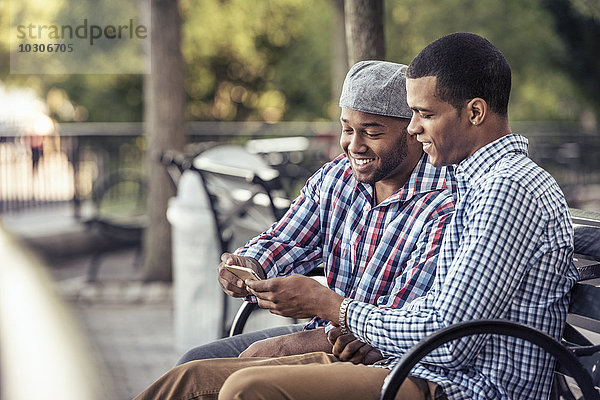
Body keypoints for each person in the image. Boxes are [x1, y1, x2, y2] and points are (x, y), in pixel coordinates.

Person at [135, 32, 577, 400]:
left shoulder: (504, 188)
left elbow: (448, 338)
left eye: (423, 115)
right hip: (415, 365)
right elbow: (440, 314)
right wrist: (262, 272)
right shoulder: (478, 182)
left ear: (475, 112)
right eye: (348, 128)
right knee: (189, 378)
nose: (415, 127)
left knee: (248, 387)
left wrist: (332, 308)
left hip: (457, 386)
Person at [176, 60, 456, 364]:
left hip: (379, 353)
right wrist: (249, 265)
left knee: (237, 370)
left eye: (372, 133)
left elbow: (402, 322)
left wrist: (300, 329)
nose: (353, 145)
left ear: (413, 131)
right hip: (325, 330)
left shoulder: (445, 200)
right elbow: (286, 240)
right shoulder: (337, 177)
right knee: (194, 360)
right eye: (347, 129)